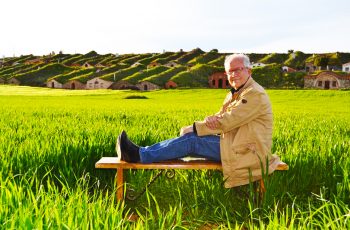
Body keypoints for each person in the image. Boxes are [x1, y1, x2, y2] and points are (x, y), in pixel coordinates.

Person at [116, 53, 281, 188]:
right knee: (193, 140)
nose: (233, 75)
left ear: (249, 71)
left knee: (192, 141)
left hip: (249, 152)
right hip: (238, 145)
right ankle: (141, 152)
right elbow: (220, 116)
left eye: (238, 70)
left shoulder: (254, 94)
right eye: (230, 72)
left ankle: (138, 154)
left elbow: (228, 121)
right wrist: (204, 123)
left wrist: (195, 128)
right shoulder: (238, 92)